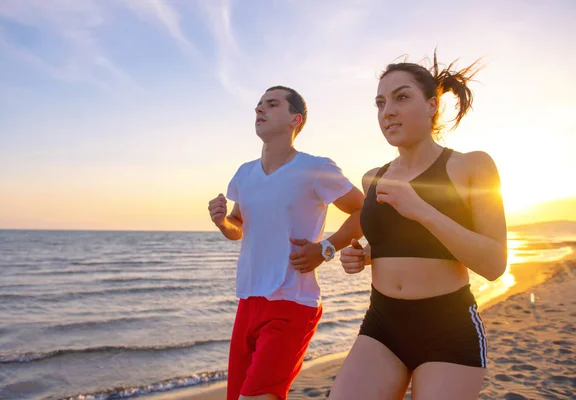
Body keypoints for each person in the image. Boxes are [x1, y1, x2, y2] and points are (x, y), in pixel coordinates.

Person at [328, 52, 507, 400]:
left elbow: (494, 264)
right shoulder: (372, 179)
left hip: (448, 328)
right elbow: (404, 242)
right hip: (382, 324)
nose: (387, 111)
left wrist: (423, 210)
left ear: (431, 105)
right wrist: (366, 255)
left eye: (401, 97)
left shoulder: (473, 167)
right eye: (380, 103)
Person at [208, 85, 364, 400]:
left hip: (293, 302)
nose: (259, 109)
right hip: (248, 301)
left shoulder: (315, 168)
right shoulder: (245, 173)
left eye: (271, 103)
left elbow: (365, 209)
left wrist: (326, 249)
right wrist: (223, 221)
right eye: (258, 104)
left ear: (296, 120)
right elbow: (239, 227)